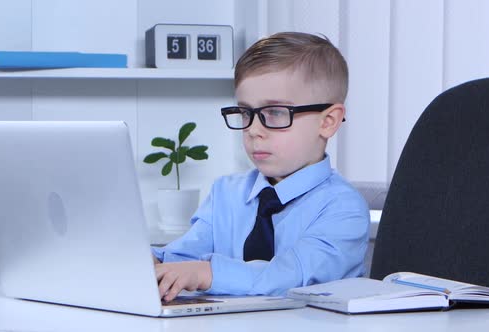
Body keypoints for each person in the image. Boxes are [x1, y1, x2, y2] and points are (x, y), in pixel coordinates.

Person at [152, 32, 369, 302]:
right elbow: (183, 257)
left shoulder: (343, 209)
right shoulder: (226, 194)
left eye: (276, 112)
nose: (254, 130)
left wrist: (209, 273)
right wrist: (151, 263)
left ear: (328, 121)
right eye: (245, 113)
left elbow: (292, 276)